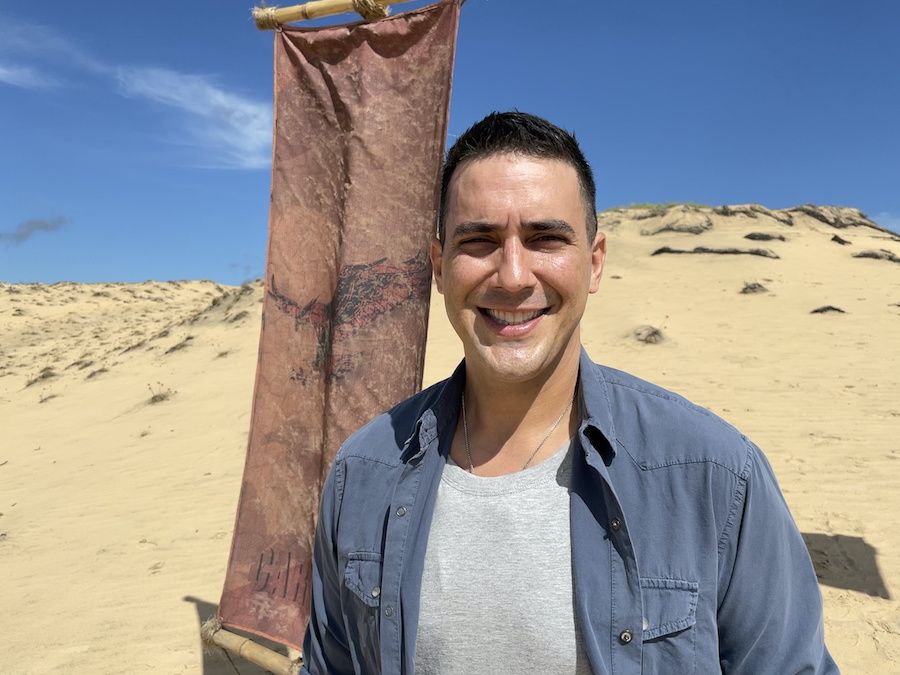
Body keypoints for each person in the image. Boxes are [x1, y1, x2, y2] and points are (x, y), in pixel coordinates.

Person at [300, 111, 838, 674]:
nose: (512, 276)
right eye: (479, 241)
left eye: (546, 239)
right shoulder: (363, 473)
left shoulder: (714, 474)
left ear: (594, 262)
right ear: (439, 267)